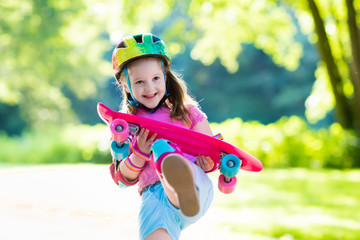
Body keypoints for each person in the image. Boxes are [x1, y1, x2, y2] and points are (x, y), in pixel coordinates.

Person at [109, 33, 214, 240]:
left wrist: (207, 162)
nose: (149, 88)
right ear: (125, 84)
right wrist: (138, 153)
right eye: (139, 82)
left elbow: (212, 153)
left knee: (161, 148)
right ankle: (174, 185)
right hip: (154, 199)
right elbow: (122, 180)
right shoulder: (126, 127)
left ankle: (179, 186)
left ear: (165, 76)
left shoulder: (188, 113)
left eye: (155, 78)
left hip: (196, 187)